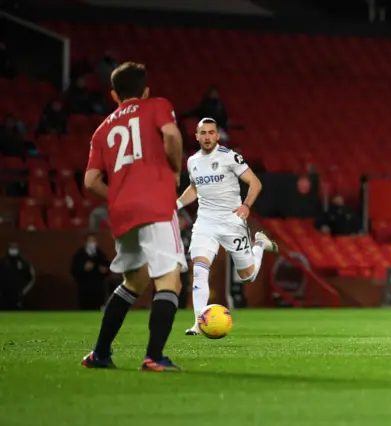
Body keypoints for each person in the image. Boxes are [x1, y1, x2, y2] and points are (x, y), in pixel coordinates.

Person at [81, 61, 187, 372]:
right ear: (146, 90)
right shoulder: (156, 105)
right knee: (170, 279)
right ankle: (154, 356)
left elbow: (89, 181)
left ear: (114, 95)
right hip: (155, 203)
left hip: (122, 211)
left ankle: (100, 353)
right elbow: (172, 136)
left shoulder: (102, 130)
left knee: (135, 279)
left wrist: (117, 196)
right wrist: (176, 169)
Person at [176, 118, 278, 335]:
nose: (207, 137)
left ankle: (259, 244)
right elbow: (194, 189)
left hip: (232, 222)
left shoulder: (230, 156)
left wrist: (246, 205)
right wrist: (175, 204)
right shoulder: (192, 161)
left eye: (211, 132)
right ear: (196, 136)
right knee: (200, 269)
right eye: (203, 133)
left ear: (217, 135)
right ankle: (198, 322)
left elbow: (255, 183)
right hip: (205, 222)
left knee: (247, 276)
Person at [71, 233, 111, 310]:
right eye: (90, 241)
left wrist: (105, 270)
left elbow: (108, 266)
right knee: (86, 307)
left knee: (99, 307)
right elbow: (74, 271)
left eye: (93, 240)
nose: (92, 243)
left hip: (98, 287)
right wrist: (84, 269)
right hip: (85, 287)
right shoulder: (80, 254)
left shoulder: (100, 253)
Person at [0, 242, 35, 310]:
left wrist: (23, 292)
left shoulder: (24, 263)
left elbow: (31, 278)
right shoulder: (2, 262)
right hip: (3, 297)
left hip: (17, 297)